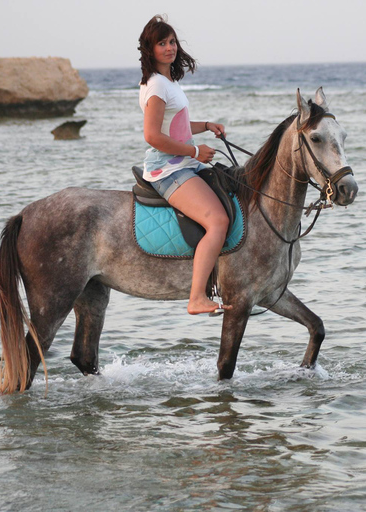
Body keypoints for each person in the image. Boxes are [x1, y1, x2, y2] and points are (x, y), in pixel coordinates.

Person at [138, 15, 233, 315]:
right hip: (167, 170)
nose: (169, 48)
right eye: (162, 43)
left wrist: (205, 125)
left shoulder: (167, 83)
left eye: (172, 42)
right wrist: (194, 151)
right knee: (218, 221)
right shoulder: (156, 87)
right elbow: (153, 135)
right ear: (150, 49)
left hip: (181, 164)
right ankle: (196, 298)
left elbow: (174, 127)